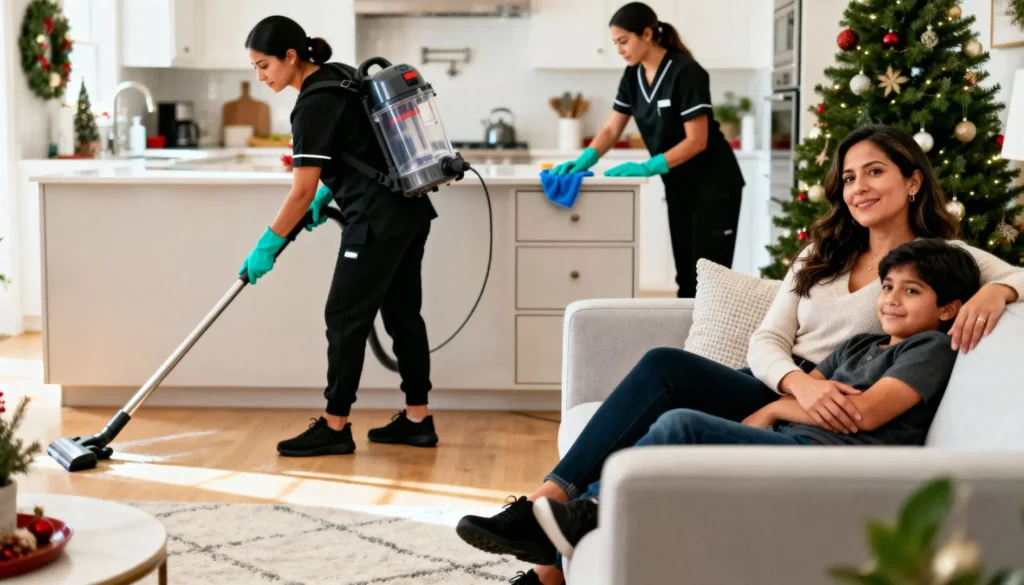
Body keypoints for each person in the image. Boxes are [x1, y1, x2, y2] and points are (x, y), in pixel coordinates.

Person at [455, 124, 1024, 585]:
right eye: (849, 177)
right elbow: (766, 339)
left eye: (875, 172)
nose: (859, 188)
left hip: (827, 412)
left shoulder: (939, 261)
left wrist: (997, 291)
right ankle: (548, 504)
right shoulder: (821, 253)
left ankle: (547, 540)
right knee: (664, 368)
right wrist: (797, 386)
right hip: (783, 384)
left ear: (913, 180)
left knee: (666, 375)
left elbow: (1019, 276)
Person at [527, 238, 981, 565]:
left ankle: (590, 511)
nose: (893, 300)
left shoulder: (929, 348)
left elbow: (862, 412)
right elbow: (807, 389)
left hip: (830, 458)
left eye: (912, 291)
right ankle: (588, 512)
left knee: (683, 425)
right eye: (888, 287)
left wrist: (775, 409)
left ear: (948, 309)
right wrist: (785, 406)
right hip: (791, 441)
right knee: (674, 415)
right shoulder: (858, 345)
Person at [241, 16, 440, 457]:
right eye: (255, 68)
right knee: (403, 316)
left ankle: (335, 426)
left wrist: (267, 245)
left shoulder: (312, 104)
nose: (261, 77)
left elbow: (299, 192)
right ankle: (417, 420)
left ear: (290, 56)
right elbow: (359, 152)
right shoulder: (341, 76)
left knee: (345, 318)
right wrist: (328, 194)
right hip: (409, 212)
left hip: (374, 221)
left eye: (264, 66)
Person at [549, 2, 746, 299]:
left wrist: (647, 167)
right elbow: (611, 129)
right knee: (686, 278)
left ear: (647, 34)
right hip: (678, 185)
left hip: (714, 187)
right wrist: (585, 158)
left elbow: (698, 140)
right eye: (615, 43)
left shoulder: (686, 72)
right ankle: (688, 332)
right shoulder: (632, 76)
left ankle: (715, 331)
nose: (619, 50)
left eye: (624, 41)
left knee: (712, 281)